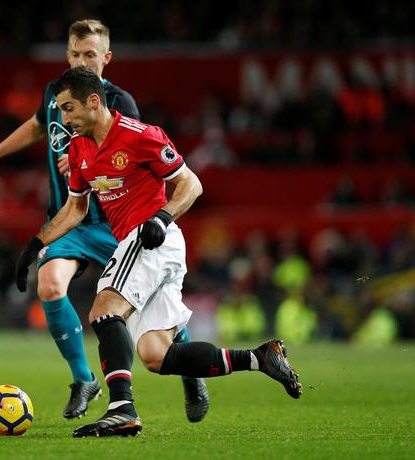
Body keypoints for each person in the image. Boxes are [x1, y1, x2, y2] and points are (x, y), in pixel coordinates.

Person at [16, 67, 303, 438]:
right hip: (137, 245)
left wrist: (162, 217)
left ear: (93, 101)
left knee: (104, 310)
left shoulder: (140, 135)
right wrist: (36, 244)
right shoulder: (78, 148)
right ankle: (260, 358)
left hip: (152, 239)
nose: (64, 119)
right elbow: (75, 209)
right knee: (156, 355)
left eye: (69, 108)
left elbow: (191, 184)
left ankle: (121, 409)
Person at [0, 18, 209, 423]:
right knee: (49, 285)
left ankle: (187, 367)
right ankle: (84, 379)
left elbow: (129, 151)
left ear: (106, 58)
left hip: (117, 220)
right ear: (67, 55)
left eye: (90, 55)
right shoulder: (56, 93)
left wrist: (85, 158)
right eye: (76, 54)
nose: (82, 61)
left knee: (152, 297)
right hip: (70, 217)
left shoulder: (119, 102)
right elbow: (37, 125)